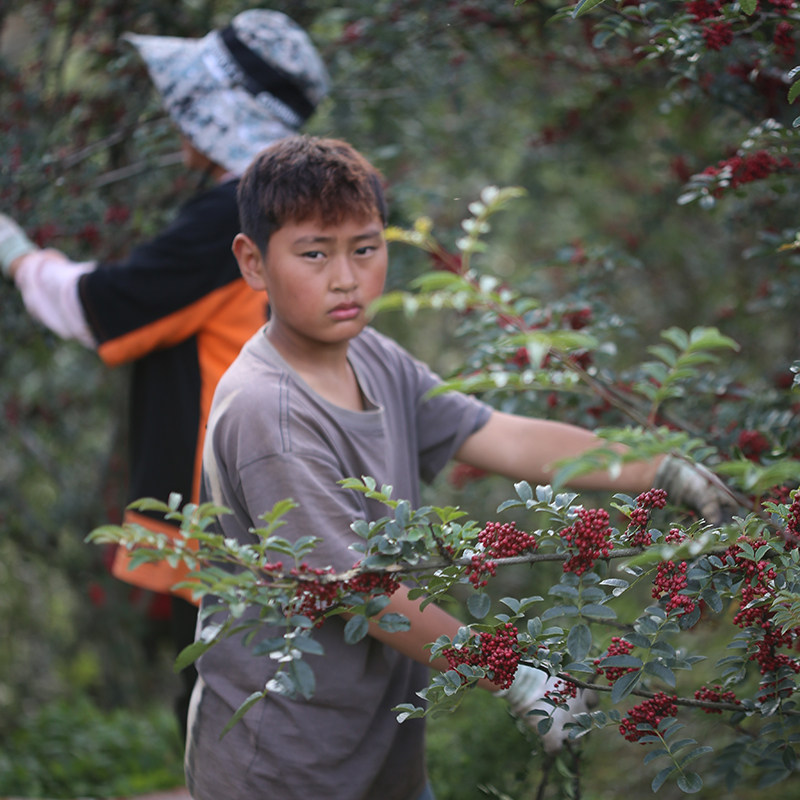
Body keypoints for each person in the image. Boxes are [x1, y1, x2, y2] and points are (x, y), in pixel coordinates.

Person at [185, 135, 734, 800]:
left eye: (365, 247)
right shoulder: (266, 414)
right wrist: (517, 674)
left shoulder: (373, 357)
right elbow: (359, 590)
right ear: (253, 262)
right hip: (280, 768)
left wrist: (662, 468)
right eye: (313, 253)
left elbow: (501, 435)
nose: (345, 277)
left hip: (382, 758)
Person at [0, 9, 329, 735]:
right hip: (287, 497)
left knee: (230, 723)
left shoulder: (237, 215)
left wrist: (19, 254)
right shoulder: (306, 208)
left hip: (227, 512)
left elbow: (106, 309)